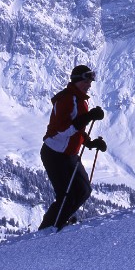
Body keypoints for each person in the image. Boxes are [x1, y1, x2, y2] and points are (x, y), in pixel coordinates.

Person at [38, 65, 107, 231]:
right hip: (55, 154)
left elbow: (77, 131)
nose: (89, 84)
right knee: (65, 197)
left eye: (90, 81)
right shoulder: (67, 100)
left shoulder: (80, 100)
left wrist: (89, 142)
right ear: (76, 80)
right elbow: (63, 130)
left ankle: (59, 223)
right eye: (86, 80)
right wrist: (88, 117)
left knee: (83, 190)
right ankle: (48, 230)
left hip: (69, 154)